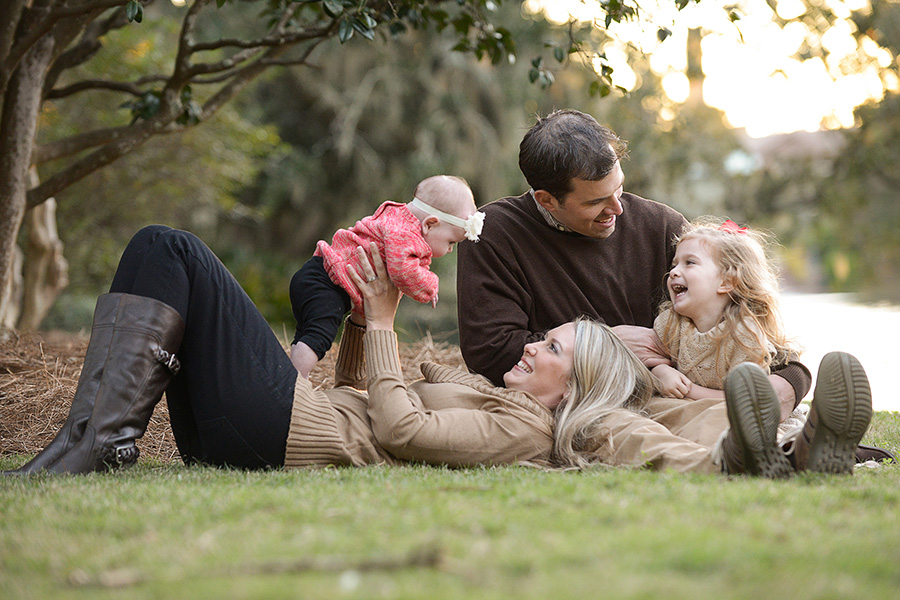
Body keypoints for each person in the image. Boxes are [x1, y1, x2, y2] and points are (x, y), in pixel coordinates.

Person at [2, 228, 871, 478]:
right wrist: (356, 311)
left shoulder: (524, 431)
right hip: (273, 423)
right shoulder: (501, 393)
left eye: (551, 344)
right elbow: (364, 400)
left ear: (578, 382)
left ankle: (97, 441)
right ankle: (102, 437)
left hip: (273, 428)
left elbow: (404, 431)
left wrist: (382, 322)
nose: (530, 344)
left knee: (173, 251)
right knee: (171, 259)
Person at [457, 108, 891, 464]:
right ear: (546, 199)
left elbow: (738, 315)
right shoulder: (494, 233)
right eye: (595, 202)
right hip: (588, 403)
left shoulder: (660, 226)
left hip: (674, 389)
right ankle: (795, 454)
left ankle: (812, 446)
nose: (617, 209)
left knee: (719, 407)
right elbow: (491, 349)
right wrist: (609, 346)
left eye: (620, 190)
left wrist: (790, 380)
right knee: (686, 416)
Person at [290, 175, 484, 377]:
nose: (451, 250)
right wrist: (430, 286)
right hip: (328, 284)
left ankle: (288, 374)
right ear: (429, 224)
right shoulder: (405, 233)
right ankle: (292, 387)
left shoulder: (396, 216)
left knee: (305, 334)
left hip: (315, 274)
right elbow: (403, 271)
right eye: (451, 242)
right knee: (317, 337)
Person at [651, 218, 796, 401]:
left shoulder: (744, 335)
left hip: (732, 413)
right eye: (674, 264)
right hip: (687, 415)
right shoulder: (670, 324)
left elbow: (747, 398)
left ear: (726, 282)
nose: (673, 272)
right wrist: (661, 371)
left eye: (689, 263)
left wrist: (688, 391)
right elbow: (651, 360)